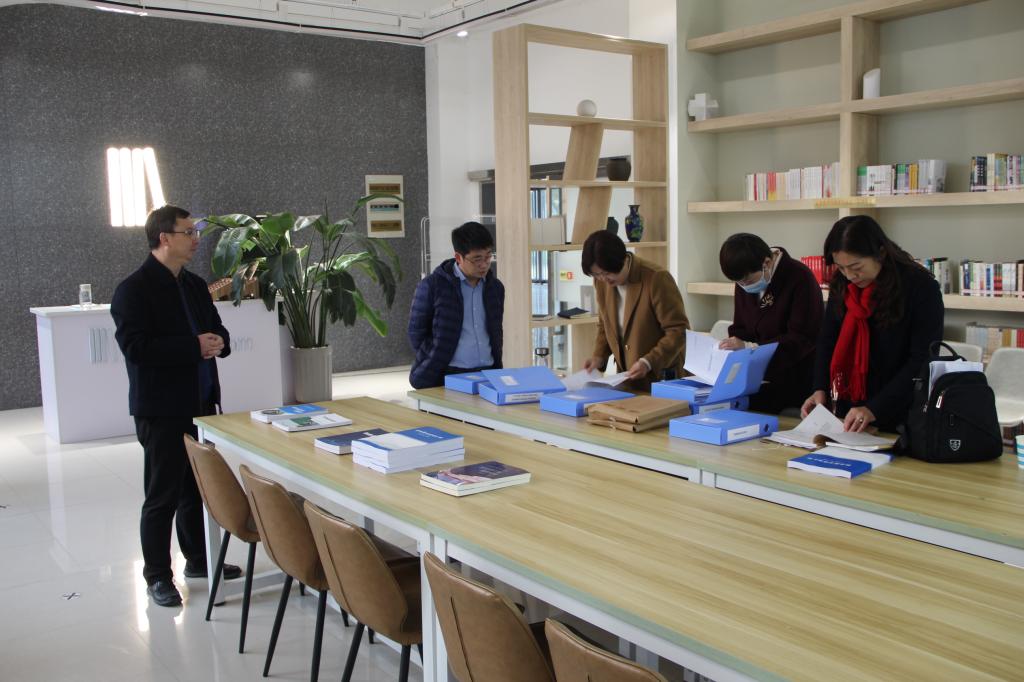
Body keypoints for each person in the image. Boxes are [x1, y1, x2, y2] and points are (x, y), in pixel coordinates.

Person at [111, 205, 240, 607]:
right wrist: (193, 347)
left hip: (200, 403)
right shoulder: (133, 290)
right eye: (188, 232)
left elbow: (215, 327)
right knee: (162, 495)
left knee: (195, 489)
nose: (196, 239)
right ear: (164, 237)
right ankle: (157, 576)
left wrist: (219, 342)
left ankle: (198, 559)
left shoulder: (195, 285)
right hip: (162, 409)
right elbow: (137, 349)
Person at [801, 215, 943, 433]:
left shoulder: (920, 287)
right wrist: (819, 388)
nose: (850, 276)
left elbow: (922, 359)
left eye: (856, 266)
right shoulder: (842, 285)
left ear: (881, 253)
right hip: (849, 408)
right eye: (841, 267)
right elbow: (827, 341)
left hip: (900, 407)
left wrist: (874, 408)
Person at [718, 233, 823, 413]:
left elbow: (801, 339)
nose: (744, 286)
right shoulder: (745, 278)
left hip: (793, 379)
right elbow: (741, 327)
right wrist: (733, 347)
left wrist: (751, 348)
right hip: (755, 378)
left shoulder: (800, 277)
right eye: (739, 283)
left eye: (748, 281)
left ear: (766, 263)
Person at [581, 231, 689, 391]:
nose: (603, 279)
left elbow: (678, 330)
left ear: (622, 260)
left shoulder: (656, 278)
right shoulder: (601, 283)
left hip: (661, 378)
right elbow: (605, 326)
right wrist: (599, 357)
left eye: (607, 273)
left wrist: (648, 362)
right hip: (627, 379)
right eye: (597, 275)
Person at [408, 221, 504, 389]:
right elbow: (416, 332)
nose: (484, 264)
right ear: (459, 257)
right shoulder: (433, 285)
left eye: (488, 256)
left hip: (488, 372)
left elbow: (496, 331)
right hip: (447, 373)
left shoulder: (495, 288)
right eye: (477, 259)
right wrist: (433, 355)